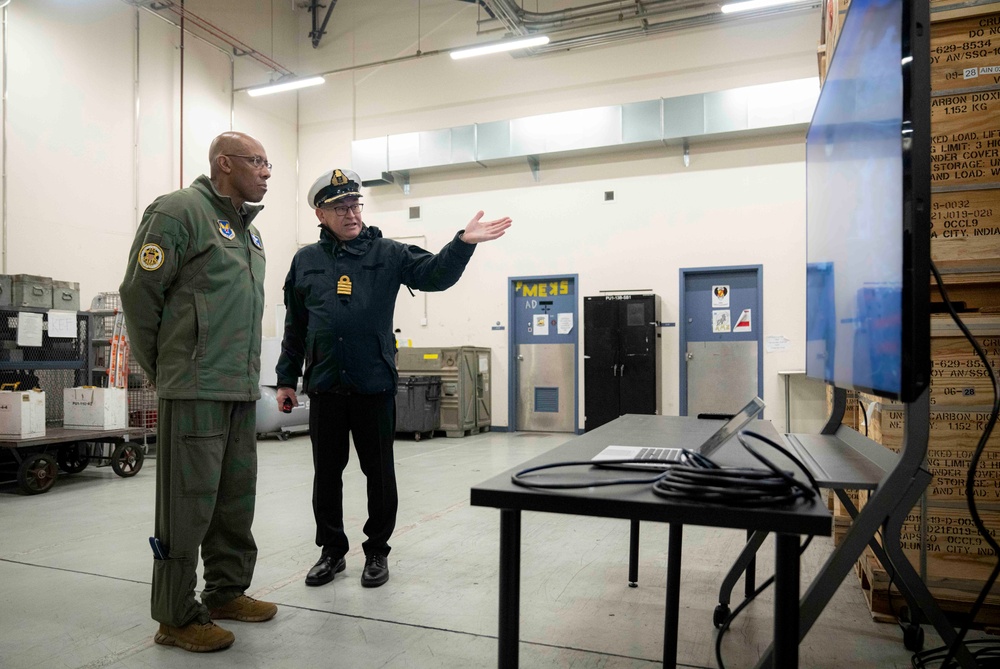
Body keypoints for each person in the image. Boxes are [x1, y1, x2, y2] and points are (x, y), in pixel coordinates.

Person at [275, 167, 511, 589]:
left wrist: (461, 245)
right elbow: (296, 325)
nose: (351, 213)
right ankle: (331, 551)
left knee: (379, 474)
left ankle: (377, 552)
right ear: (320, 213)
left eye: (354, 204)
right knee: (326, 476)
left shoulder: (388, 253)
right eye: (339, 207)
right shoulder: (305, 261)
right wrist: (287, 378)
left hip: (373, 385)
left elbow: (436, 275)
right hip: (326, 385)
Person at [120, 131, 277, 653]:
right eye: (257, 162)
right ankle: (175, 615)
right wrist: (166, 370)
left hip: (236, 388)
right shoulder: (179, 211)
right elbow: (139, 295)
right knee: (187, 507)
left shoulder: (248, 233)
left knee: (235, 500)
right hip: (193, 388)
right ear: (224, 164)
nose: (266, 171)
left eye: (268, 163)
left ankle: (226, 592)